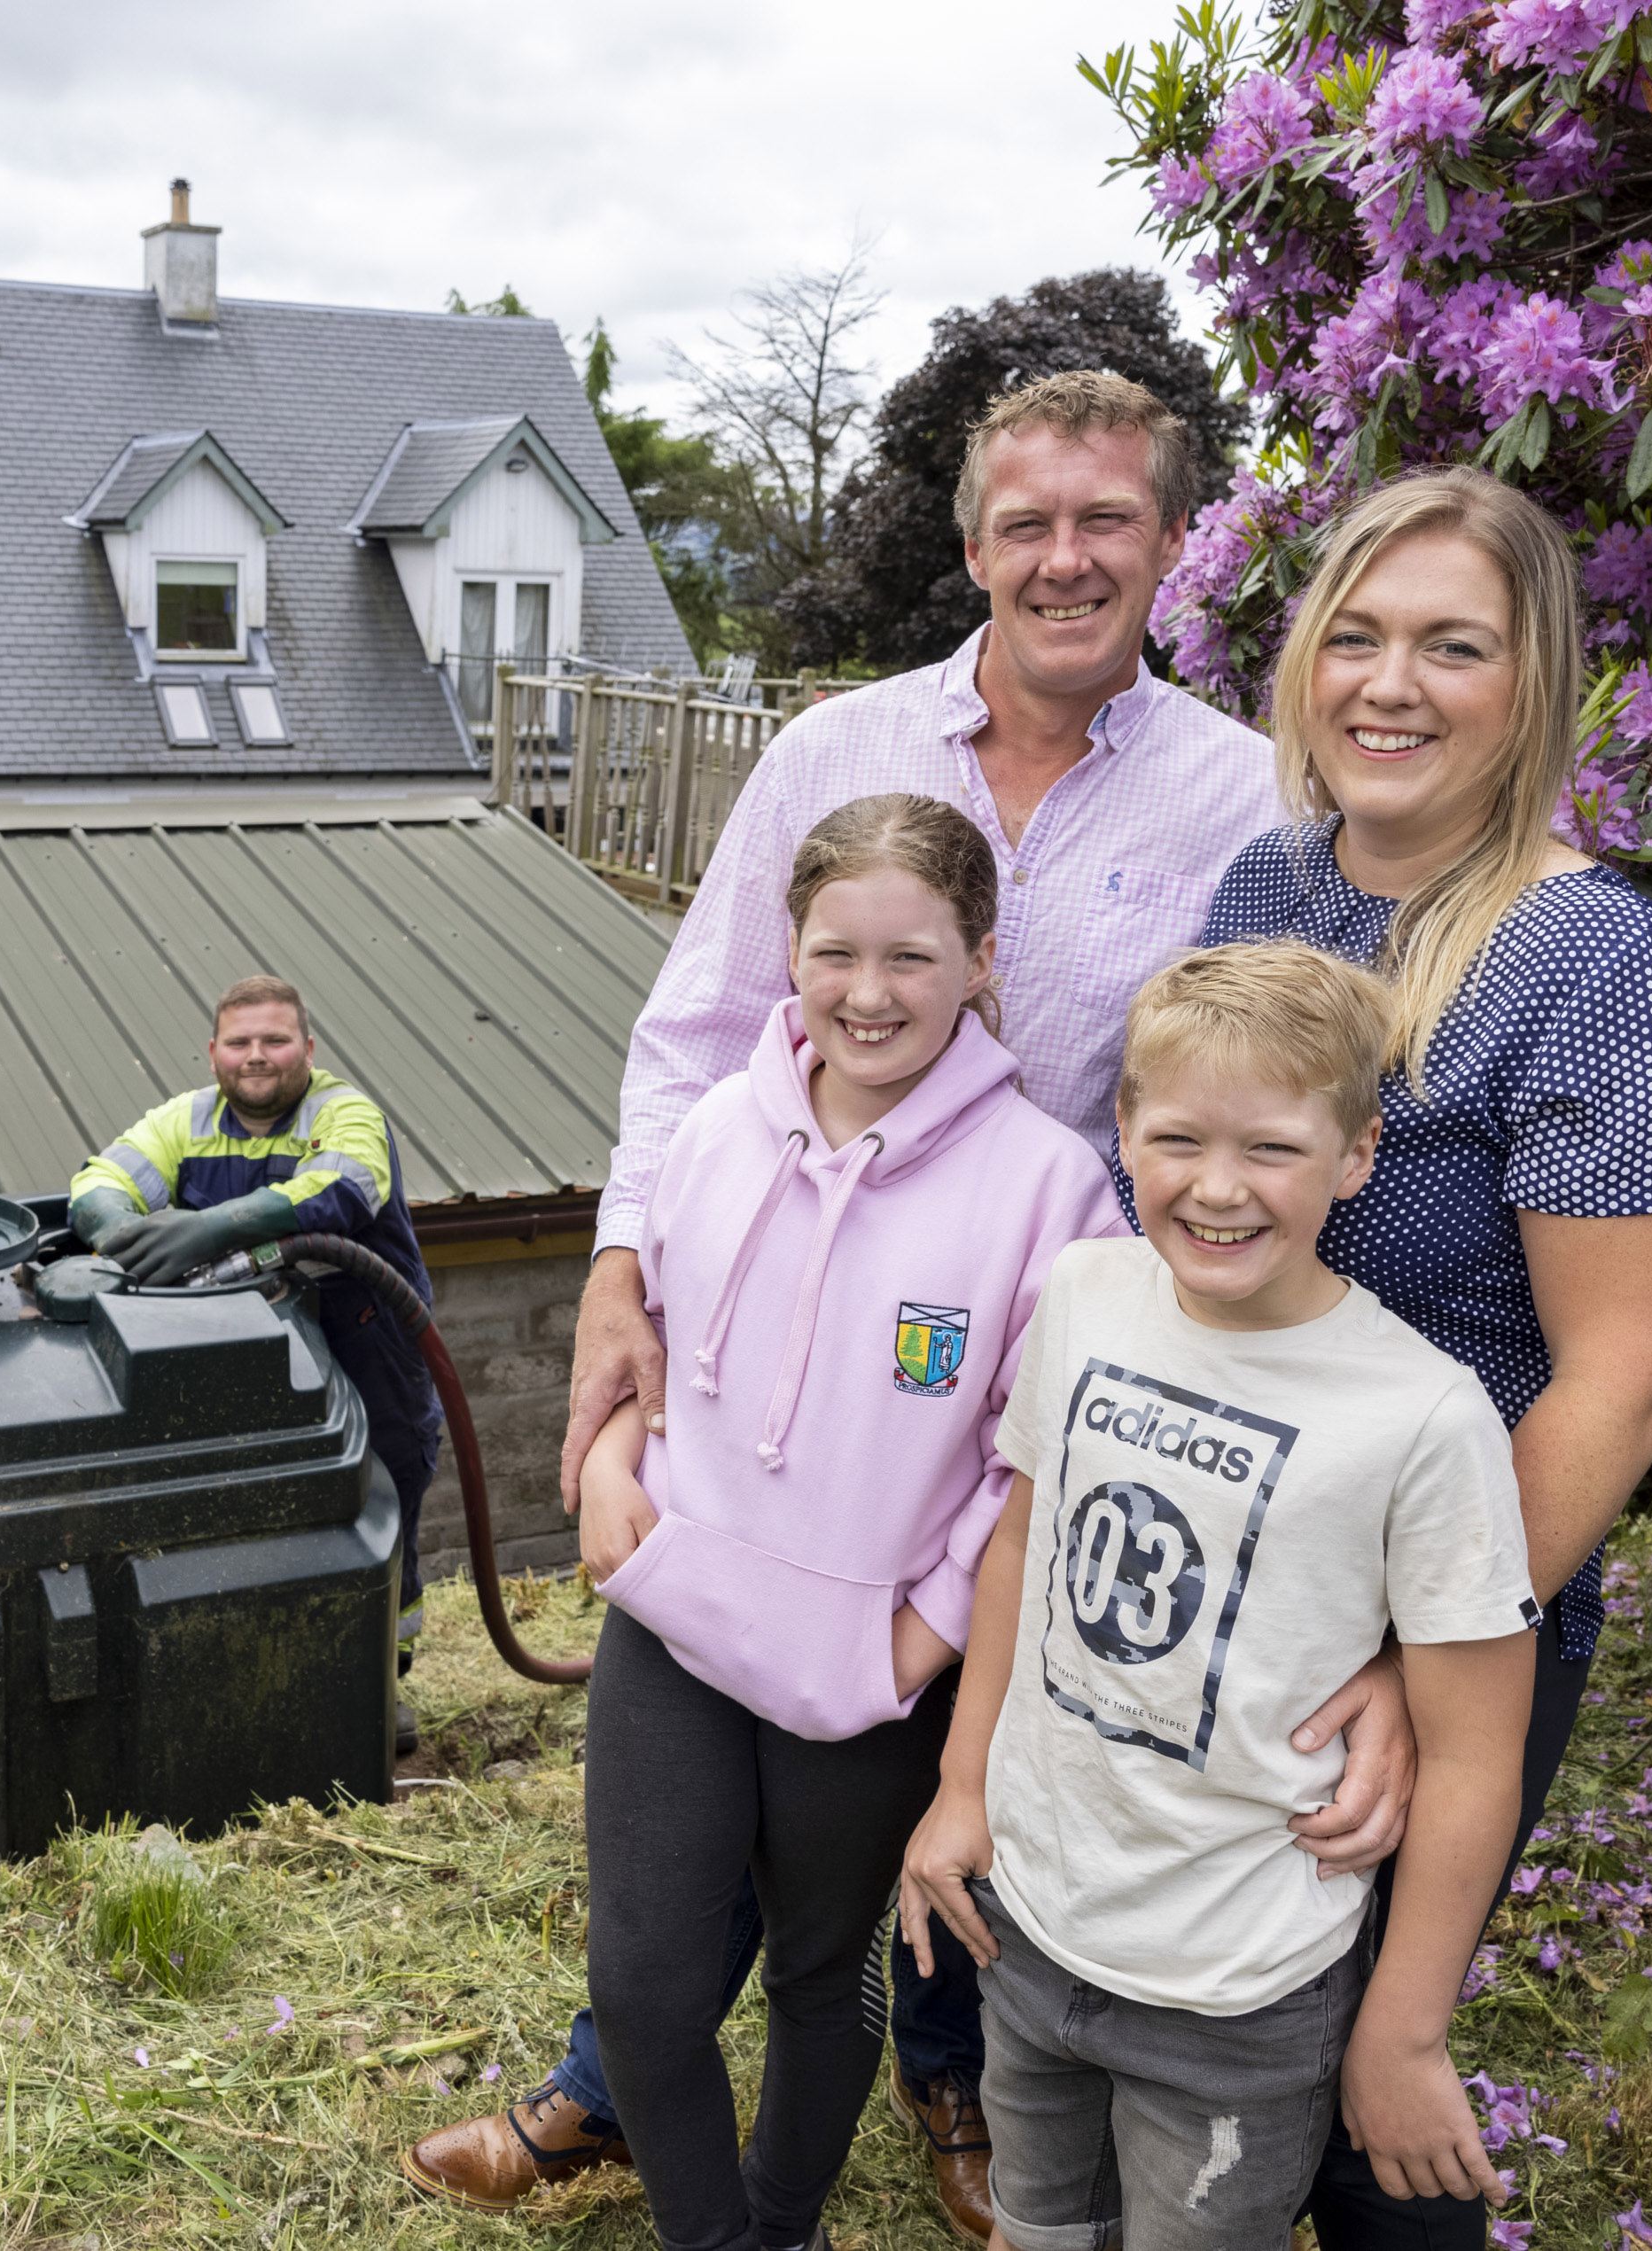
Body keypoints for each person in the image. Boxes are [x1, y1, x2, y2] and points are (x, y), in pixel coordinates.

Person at [409, 373, 1421, 2244]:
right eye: (1026, 522)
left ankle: (957, 2069)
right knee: (706, 1790)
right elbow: (698, 1035)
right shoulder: (835, 752)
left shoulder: (1241, 799)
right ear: (973, 546)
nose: (1065, 557)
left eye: (1107, 520)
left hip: (1063, 1383)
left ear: (1173, 547)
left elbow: (1288, 1074)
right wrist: (623, 1270)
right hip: (803, 1372)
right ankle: (622, 2077)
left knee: (979, 1750)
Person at [1180, 466, 1652, 2241]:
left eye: (1454, 646)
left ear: (1534, 687)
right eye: (1353, 637)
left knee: (1373, 2078)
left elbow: (1632, 1378)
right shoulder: (1274, 876)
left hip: (1446, 1591)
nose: (1388, 684)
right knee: (1218, 2035)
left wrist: (1422, 1648)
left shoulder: (1602, 964)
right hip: (1242, 1549)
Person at [900, 940, 1542, 2246]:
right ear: (1122, 1126)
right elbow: (1024, 1544)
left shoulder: (1424, 1415)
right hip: (1030, 1926)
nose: (1217, 1188)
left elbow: (1477, 1754)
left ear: (1357, 1155)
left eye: (1274, 1150)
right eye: (1179, 1137)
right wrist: (963, 1791)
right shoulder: (1085, 1293)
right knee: (1038, 2229)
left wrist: (1405, 2032)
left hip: (1239, 1988)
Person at [575, 795, 1124, 2251]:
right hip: (679, 1613)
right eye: (836, 954)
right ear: (791, 954)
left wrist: (926, 1628)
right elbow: (655, 1340)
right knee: (642, 1987)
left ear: (982, 961)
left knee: (823, 1978)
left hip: (863, 1671)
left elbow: (1036, 1467)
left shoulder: (1053, 1192)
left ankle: (782, 2221)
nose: (868, 996)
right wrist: (612, 1470)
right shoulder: (711, 1134)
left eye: (913, 958)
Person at [66, 974, 441, 1740]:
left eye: (275, 1040)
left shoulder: (343, 1112)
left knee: (380, 1502)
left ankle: (380, 1685)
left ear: (307, 1048)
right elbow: (101, 1178)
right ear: (213, 1053)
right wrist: (113, 1227)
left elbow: (349, 1184)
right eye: (240, 1043)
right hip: (252, 1341)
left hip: (365, 1334)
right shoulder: (188, 1120)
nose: (257, 1057)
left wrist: (219, 1225)